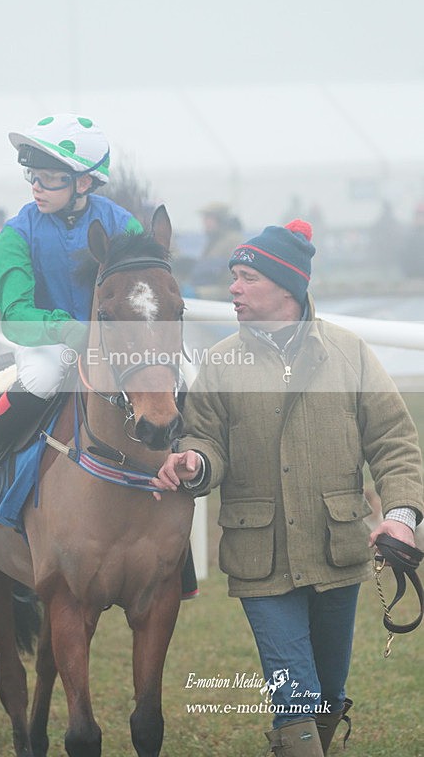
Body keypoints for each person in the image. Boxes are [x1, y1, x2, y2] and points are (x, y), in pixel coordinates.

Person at [152, 220, 424, 756]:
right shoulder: (220, 362)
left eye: (247, 276)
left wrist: (401, 515)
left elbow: (394, 441)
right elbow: (204, 441)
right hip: (261, 559)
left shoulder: (351, 353)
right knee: (295, 693)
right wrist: (194, 463)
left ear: (287, 287)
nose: (233, 287)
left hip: (339, 548)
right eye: (233, 275)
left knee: (328, 692)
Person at [0, 113, 143, 510]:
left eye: (48, 178)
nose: (36, 187)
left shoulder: (124, 227)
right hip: (47, 341)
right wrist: (66, 330)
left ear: (83, 182)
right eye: (33, 176)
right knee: (43, 376)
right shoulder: (14, 234)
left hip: (111, 342)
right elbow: (14, 316)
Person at [186, 202, 244, 300]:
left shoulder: (233, 240)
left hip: (227, 291)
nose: (204, 222)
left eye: (208, 218)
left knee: (189, 295)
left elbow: (233, 278)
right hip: (211, 288)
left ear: (220, 220)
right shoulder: (213, 240)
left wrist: (198, 291)